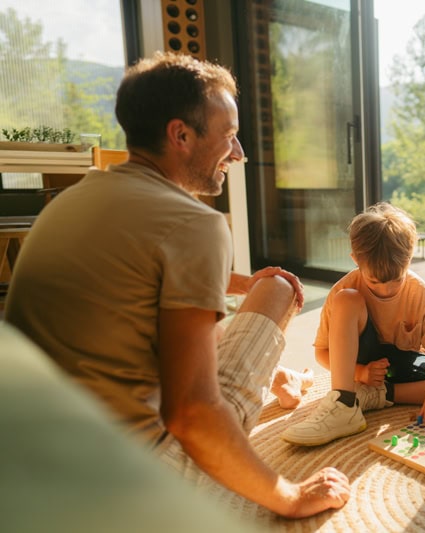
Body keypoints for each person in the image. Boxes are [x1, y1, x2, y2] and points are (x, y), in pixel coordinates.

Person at [5, 52, 349, 519]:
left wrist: (240, 282)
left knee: (224, 312)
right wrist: (290, 496)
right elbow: (193, 415)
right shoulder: (195, 225)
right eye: (229, 136)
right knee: (279, 290)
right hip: (126, 482)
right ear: (180, 135)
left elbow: (141, 275)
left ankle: (275, 377)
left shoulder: (71, 200)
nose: (239, 153)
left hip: (31, 456)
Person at [281, 203, 425, 446]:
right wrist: (360, 372)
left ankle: (379, 397)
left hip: (403, 363)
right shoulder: (342, 291)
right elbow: (322, 352)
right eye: (374, 281)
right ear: (355, 260)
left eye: (396, 280)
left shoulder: (420, 292)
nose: (387, 289)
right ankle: (344, 403)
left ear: (409, 259)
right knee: (347, 300)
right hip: (360, 365)